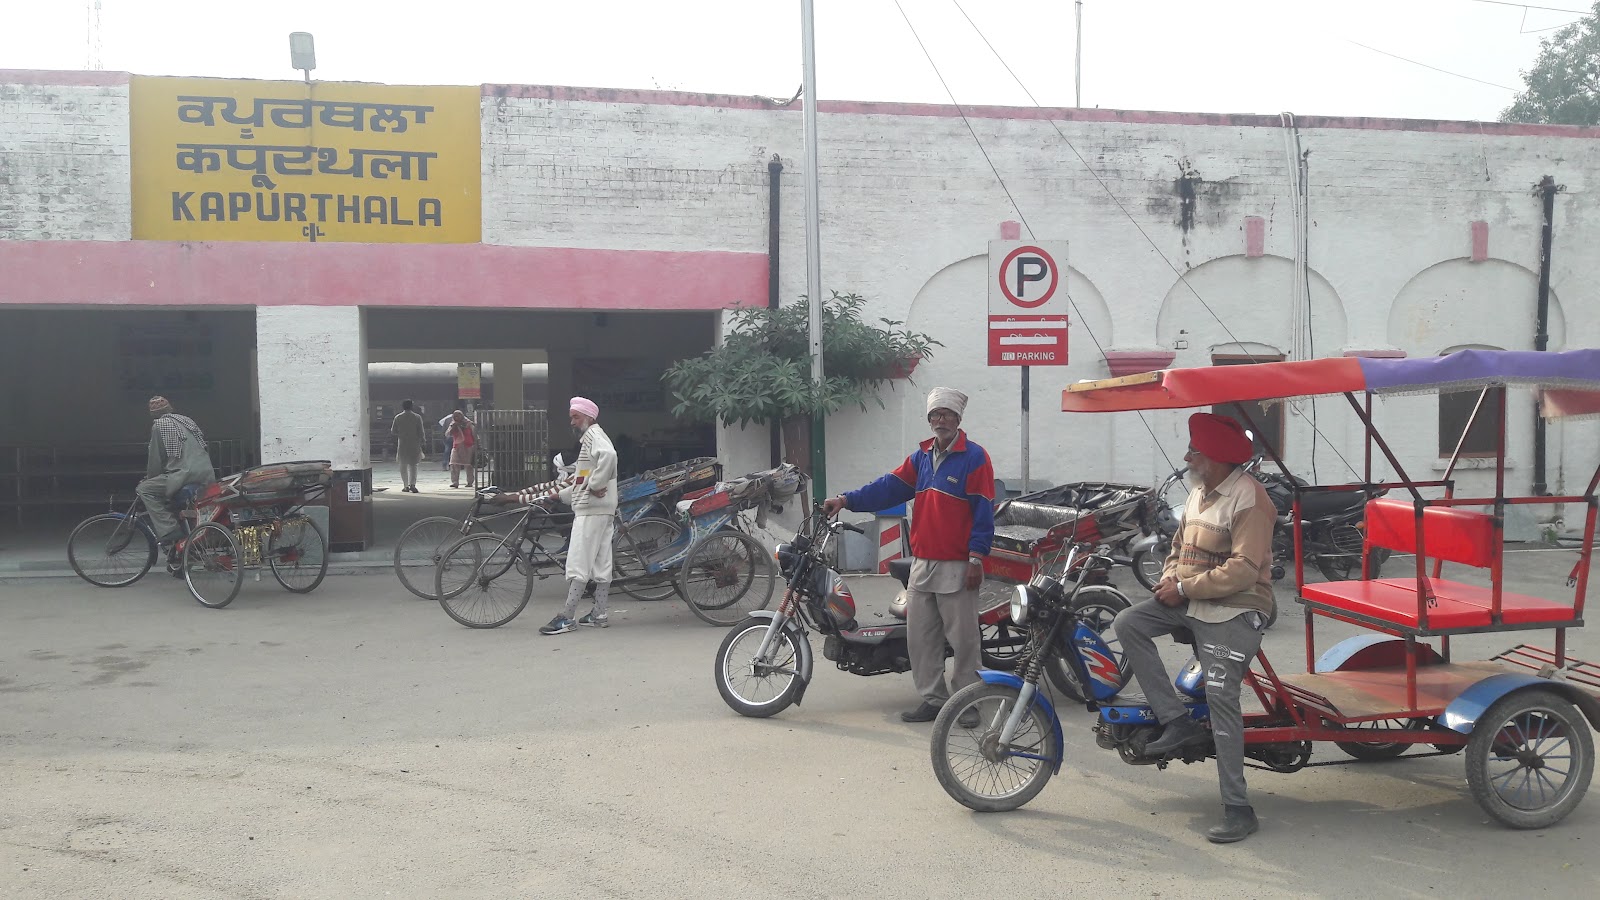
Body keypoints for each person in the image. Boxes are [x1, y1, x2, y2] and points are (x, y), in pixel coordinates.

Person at [1112, 412, 1275, 844]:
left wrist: (1184, 588)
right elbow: (1179, 547)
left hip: (1235, 610)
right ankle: (1175, 719)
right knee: (1128, 622)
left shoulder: (1250, 498)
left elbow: (1244, 570)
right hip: (1192, 601)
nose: (1188, 458)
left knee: (1222, 698)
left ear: (1216, 457)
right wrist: (1171, 579)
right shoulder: (1199, 492)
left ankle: (1238, 807)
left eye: (1195, 452)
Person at [822, 387, 994, 727]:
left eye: (946, 414)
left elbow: (984, 510)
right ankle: (933, 699)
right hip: (923, 563)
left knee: (964, 642)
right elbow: (887, 486)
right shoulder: (922, 458)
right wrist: (845, 499)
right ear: (929, 420)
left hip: (958, 564)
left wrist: (976, 558)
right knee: (921, 639)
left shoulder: (975, 458)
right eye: (935, 415)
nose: (940, 420)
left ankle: (968, 702)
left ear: (958, 419)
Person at [522, 397, 617, 634]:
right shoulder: (592, 439)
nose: (572, 422)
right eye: (572, 417)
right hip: (601, 508)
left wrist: (596, 484)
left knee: (578, 561)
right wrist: (563, 494)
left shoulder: (594, 436)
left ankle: (566, 616)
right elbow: (582, 478)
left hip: (591, 509)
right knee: (601, 561)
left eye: (576, 417)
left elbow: (609, 457)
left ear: (589, 417)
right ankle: (599, 613)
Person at [135, 396, 217, 560]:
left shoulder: (159, 426)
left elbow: (156, 460)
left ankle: (169, 529)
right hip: (206, 474)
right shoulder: (186, 421)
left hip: (183, 474)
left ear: (153, 414)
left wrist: (149, 478)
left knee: (145, 489)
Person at [391, 400, 426, 493]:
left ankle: (405, 486)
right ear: (412, 406)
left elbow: (393, 431)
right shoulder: (417, 417)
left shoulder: (398, 417)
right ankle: (413, 485)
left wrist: (401, 434)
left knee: (403, 465)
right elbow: (421, 431)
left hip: (402, 443)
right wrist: (423, 441)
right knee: (413, 465)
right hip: (415, 443)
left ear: (402, 406)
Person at [446, 409, 478, 488]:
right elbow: (447, 434)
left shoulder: (468, 424)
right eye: (455, 416)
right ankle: (455, 482)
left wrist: (477, 445)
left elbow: (474, 435)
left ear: (462, 416)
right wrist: (453, 428)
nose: (456, 417)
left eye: (458, 415)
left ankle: (470, 482)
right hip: (457, 446)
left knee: (468, 465)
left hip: (468, 446)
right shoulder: (453, 424)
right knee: (454, 464)